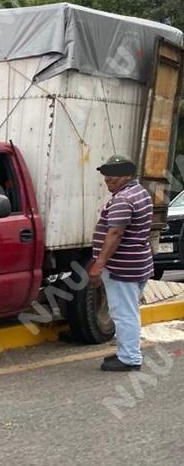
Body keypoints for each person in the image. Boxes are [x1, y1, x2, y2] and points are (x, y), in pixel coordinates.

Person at [89, 155, 153, 372]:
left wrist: (99, 263)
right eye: (106, 174)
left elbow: (115, 233)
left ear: (128, 174)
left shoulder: (123, 199)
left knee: (123, 312)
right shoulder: (140, 192)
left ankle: (129, 358)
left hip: (122, 268)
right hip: (137, 263)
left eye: (114, 175)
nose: (108, 179)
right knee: (128, 310)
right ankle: (126, 350)